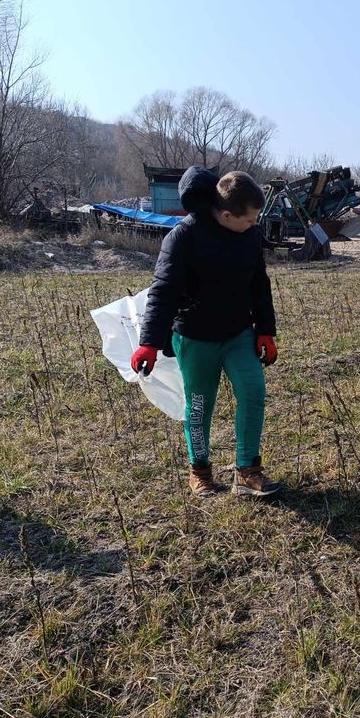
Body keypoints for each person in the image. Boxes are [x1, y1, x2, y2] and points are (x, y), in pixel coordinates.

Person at [131, 166, 281, 498]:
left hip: (239, 332)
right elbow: (163, 291)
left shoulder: (251, 237)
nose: (255, 225)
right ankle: (200, 471)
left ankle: (247, 472)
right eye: (249, 219)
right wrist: (150, 344)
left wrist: (265, 331)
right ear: (226, 214)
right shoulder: (183, 238)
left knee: (253, 392)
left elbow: (260, 284)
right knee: (200, 405)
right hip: (195, 337)